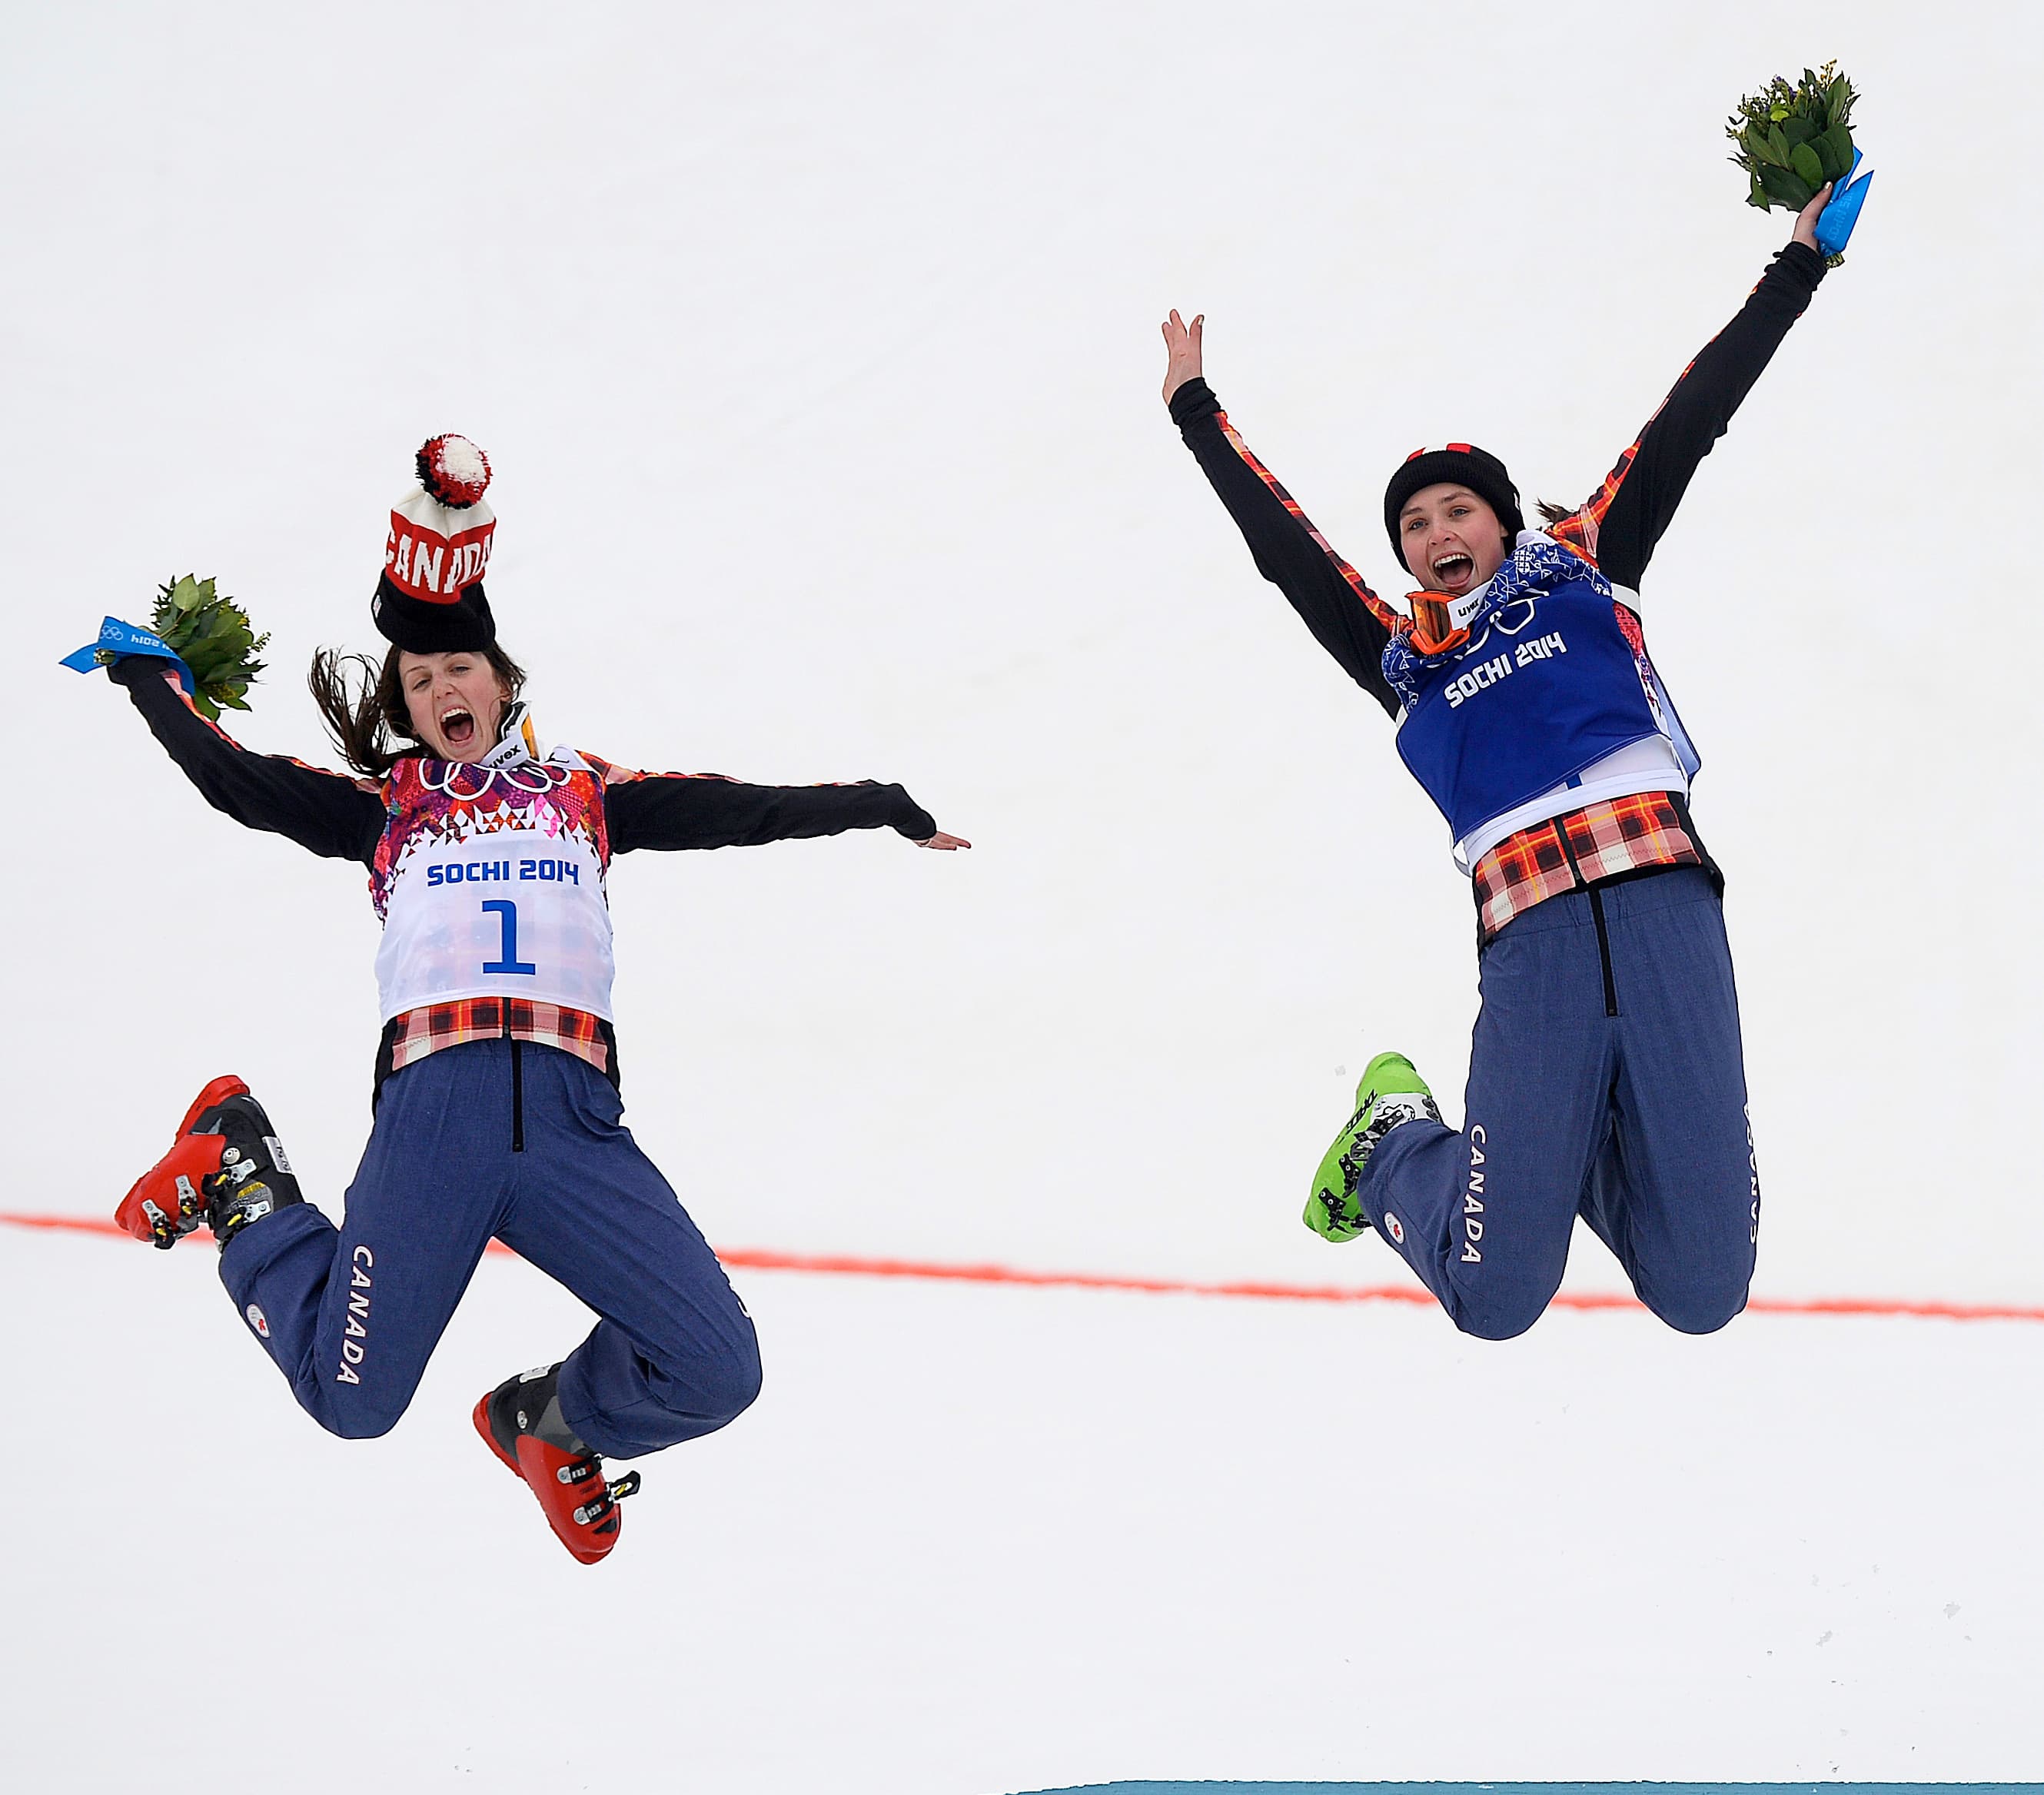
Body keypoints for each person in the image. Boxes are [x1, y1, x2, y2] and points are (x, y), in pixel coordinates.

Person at [109, 436, 966, 1561]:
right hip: (437, 1126)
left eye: (458, 667)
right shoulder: (386, 810)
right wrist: (152, 684)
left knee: (718, 1368)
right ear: (407, 715)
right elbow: (241, 785)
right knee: (351, 1402)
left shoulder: (584, 793)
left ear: (503, 679)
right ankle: (240, 1176)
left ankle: (549, 1422)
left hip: (574, 1130)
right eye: (417, 684)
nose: (440, 689)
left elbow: (738, 808)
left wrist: (881, 803)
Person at [1160, 188, 1848, 1342]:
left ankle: (1555, 1139)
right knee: (1494, 1298)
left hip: (1671, 917)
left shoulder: (1589, 567)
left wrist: (1797, 268)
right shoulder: (1403, 663)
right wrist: (1195, 411)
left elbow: (1694, 415)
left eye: (1457, 510)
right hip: (1534, 946)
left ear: (1499, 518)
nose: (1436, 533)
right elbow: (1289, 553)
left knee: (1703, 1291)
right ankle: (1393, 1148)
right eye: (1415, 525)